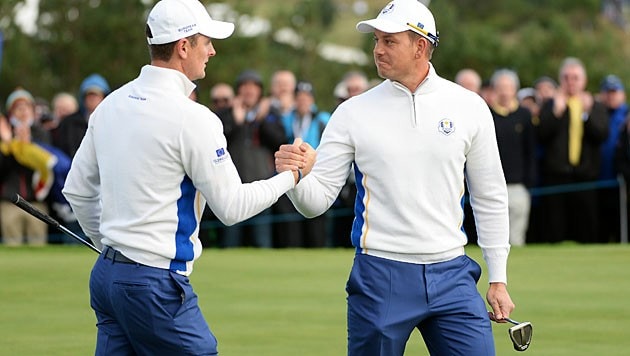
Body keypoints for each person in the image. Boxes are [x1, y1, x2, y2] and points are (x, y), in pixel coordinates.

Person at [61, 0, 313, 354]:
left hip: (107, 277)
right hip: (154, 283)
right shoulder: (194, 118)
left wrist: (109, 247)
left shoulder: (111, 104)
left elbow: (78, 192)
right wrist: (292, 176)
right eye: (205, 41)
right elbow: (232, 206)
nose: (211, 50)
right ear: (183, 47)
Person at [275, 1, 514, 354]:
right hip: (379, 274)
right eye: (376, 41)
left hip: (453, 273)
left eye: (389, 41)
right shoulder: (352, 112)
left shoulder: (469, 106)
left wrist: (498, 278)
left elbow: (490, 195)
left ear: (420, 45)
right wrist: (296, 177)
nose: (377, 50)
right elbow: (316, 201)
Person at [536, 57, 608, 243]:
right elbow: (541, 135)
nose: (571, 82)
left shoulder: (595, 106)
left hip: (585, 177)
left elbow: (601, 136)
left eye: (575, 77)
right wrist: (556, 113)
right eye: (567, 77)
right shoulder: (551, 105)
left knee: (586, 229)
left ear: (583, 81)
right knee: (555, 229)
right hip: (556, 176)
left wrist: (586, 113)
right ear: (561, 79)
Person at [216, 69, 286, 248]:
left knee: (262, 239)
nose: (249, 92)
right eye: (245, 88)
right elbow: (219, 141)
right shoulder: (226, 114)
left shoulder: (270, 114)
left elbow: (279, 140)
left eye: (253, 88)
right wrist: (237, 122)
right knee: (230, 240)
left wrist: (260, 120)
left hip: (262, 185)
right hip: (233, 186)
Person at [274, 81, 331, 247]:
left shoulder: (322, 119)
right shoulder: (286, 118)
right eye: (299, 98)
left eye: (306, 98)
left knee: (315, 219)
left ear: (312, 100)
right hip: (290, 173)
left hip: (314, 172)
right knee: (291, 221)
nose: (302, 101)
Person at [0, 88, 55, 246]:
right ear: (11, 112)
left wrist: (27, 147)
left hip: (36, 202)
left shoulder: (41, 134)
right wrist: (10, 145)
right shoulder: (4, 136)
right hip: (9, 202)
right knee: (12, 247)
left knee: (38, 248)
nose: (23, 111)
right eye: (18, 107)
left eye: (27, 107)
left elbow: (46, 165)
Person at [489, 69, 537, 247]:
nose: (504, 91)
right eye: (500, 87)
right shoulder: (488, 114)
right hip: (493, 185)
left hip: (518, 185)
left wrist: (529, 181)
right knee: (495, 237)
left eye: (508, 87)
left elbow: (530, 149)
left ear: (515, 90)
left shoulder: (524, 115)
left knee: (516, 236)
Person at [598, 74, 628, 243]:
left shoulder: (627, 114)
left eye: (614, 92)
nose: (611, 95)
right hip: (599, 178)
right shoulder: (596, 112)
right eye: (607, 92)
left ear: (622, 94)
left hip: (622, 180)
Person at [52, 73, 110, 159]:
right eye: (89, 95)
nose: (92, 99)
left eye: (96, 95)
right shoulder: (69, 123)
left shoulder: (112, 122)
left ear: (104, 97)